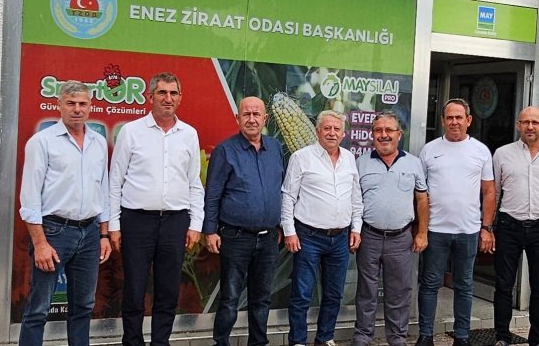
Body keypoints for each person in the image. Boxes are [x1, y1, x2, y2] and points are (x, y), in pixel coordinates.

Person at [109, 72, 205, 346]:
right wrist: (114, 225)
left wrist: (195, 224)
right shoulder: (131, 131)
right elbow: (115, 181)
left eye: (173, 93)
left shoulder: (189, 134)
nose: (168, 98)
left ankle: (160, 342)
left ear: (180, 98)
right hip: (137, 221)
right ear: (150, 96)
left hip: (175, 222)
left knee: (168, 290)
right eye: (162, 93)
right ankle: (132, 342)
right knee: (134, 289)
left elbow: (194, 183)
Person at [18, 80, 111, 346]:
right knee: (39, 309)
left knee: (83, 307)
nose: (77, 109)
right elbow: (30, 196)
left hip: (90, 233)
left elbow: (102, 190)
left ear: (90, 106)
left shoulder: (98, 142)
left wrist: (103, 234)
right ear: (59, 105)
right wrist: (40, 243)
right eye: (71, 103)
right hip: (54, 233)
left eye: (82, 103)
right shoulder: (42, 142)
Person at [202, 96, 285, 346]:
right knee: (230, 297)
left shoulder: (275, 149)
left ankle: (258, 342)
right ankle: (221, 343)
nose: (251, 119)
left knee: (261, 298)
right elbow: (213, 193)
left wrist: (281, 225)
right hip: (235, 237)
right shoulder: (225, 151)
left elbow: (281, 189)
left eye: (256, 114)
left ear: (265, 119)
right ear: (237, 118)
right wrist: (210, 231)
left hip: (268, 239)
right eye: (246, 114)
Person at [416, 98, 496, 346]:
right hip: (435, 230)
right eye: (449, 117)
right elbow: (420, 193)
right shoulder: (429, 150)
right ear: (442, 121)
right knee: (430, 284)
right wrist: (420, 229)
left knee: (464, 285)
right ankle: (425, 336)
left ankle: (462, 337)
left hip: (468, 230)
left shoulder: (480, 151)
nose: (454, 122)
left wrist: (486, 227)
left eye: (459, 117)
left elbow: (489, 191)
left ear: (468, 120)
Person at [281, 110, 364, 346]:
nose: (332, 133)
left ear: (343, 134)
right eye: (327, 128)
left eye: (337, 129)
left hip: (340, 238)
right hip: (308, 237)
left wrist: (356, 228)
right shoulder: (301, 157)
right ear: (317, 131)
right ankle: (298, 341)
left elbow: (356, 198)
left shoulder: (349, 159)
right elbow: (288, 196)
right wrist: (289, 231)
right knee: (302, 294)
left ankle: (325, 337)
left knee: (334, 294)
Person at [492, 106, 539, 346]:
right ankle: (502, 337)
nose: (530, 127)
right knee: (503, 286)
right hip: (508, 225)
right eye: (525, 122)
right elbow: (494, 193)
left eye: (535, 122)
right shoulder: (502, 154)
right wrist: (488, 228)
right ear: (518, 125)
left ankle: (537, 339)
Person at [353, 111, 429, 346]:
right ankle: (363, 336)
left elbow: (422, 199)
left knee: (399, 291)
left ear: (399, 134)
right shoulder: (361, 163)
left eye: (389, 130)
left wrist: (422, 232)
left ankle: (397, 338)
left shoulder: (413, 163)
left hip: (401, 238)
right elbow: (354, 200)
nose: (383, 135)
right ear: (372, 135)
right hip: (369, 236)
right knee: (366, 290)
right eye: (378, 130)